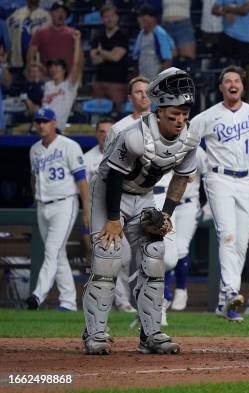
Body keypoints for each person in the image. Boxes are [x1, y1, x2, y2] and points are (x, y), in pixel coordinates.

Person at [81, 67, 199, 355]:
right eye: (174, 115)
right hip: (109, 194)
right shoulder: (132, 136)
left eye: (184, 114)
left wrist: (167, 214)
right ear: (159, 112)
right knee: (108, 257)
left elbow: (181, 178)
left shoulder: (189, 139)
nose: (180, 121)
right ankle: (95, 333)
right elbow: (113, 178)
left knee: (154, 256)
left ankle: (151, 333)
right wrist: (112, 220)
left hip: (143, 195)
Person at [190, 65, 249, 322]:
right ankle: (232, 292)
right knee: (228, 236)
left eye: (237, 81)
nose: (233, 84)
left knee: (241, 243)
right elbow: (185, 141)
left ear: (243, 87)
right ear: (221, 87)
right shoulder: (208, 116)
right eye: (227, 81)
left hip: (246, 181)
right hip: (218, 177)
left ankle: (225, 302)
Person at [26, 108, 89, 312]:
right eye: (38, 121)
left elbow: (82, 180)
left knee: (51, 251)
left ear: (54, 123)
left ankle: (37, 295)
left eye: (45, 121)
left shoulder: (69, 146)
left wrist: (86, 210)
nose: (41, 125)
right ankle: (68, 302)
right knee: (58, 254)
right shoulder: (34, 149)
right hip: (42, 205)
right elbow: (34, 178)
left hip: (64, 203)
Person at [82, 118, 136, 313]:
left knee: (124, 256)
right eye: (101, 131)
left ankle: (120, 301)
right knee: (106, 258)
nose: (105, 135)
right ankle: (107, 304)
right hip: (98, 212)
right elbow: (85, 190)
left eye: (108, 131)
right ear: (97, 134)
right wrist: (86, 214)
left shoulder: (123, 154)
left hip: (117, 213)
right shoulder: (88, 158)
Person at [157, 146, 208, 321]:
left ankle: (180, 289)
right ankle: (165, 295)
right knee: (167, 250)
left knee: (181, 248)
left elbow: (209, 175)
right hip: (165, 204)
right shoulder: (162, 147)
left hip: (188, 204)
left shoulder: (197, 151)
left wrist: (208, 203)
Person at [212, 0, 249, 102]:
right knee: (225, 69)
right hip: (227, 35)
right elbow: (214, 10)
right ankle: (226, 99)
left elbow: (245, 10)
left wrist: (226, 9)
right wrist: (225, 13)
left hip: (244, 37)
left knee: (248, 68)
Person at [90, 3, 129, 112]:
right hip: (100, 82)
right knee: (98, 115)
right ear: (102, 19)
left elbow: (116, 57)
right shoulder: (97, 36)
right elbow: (94, 60)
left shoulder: (122, 36)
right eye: (106, 17)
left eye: (112, 16)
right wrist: (110, 54)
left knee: (118, 115)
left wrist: (100, 51)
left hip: (118, 83)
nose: (109, 19)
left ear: (117, 18)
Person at [41, 30, 83, 131]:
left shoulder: (69, 85)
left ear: (64, 70)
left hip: (56, 128)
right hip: (41, 125)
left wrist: (77, 41)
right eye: (51, 67)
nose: (53, 69)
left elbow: (76, 64)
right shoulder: (47, 85)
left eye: (57, 66)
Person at [27, 1, 80, 73]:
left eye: (63, 12)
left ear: (66, 15)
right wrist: (38, 67)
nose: (60, 14)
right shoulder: (41, 32)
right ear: (51, 13)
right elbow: (30, 56)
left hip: (67, 78)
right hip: (46, 77)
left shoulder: (73, 33)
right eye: (57, 11)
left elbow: (80, 56)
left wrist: (78, 75)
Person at [133, 5, 175, 81]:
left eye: (143, 16)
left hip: (155, 79)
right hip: (143, 77)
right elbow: (137, 57)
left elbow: (167, 60)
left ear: (153, 18)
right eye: (139, 16)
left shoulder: (160, 33)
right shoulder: (141, 34)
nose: (140, 19)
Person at [6, 0, 50, 69]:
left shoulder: (47, 15)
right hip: (17, 60)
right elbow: (8, 35)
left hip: (39, 63)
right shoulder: (16, 14)